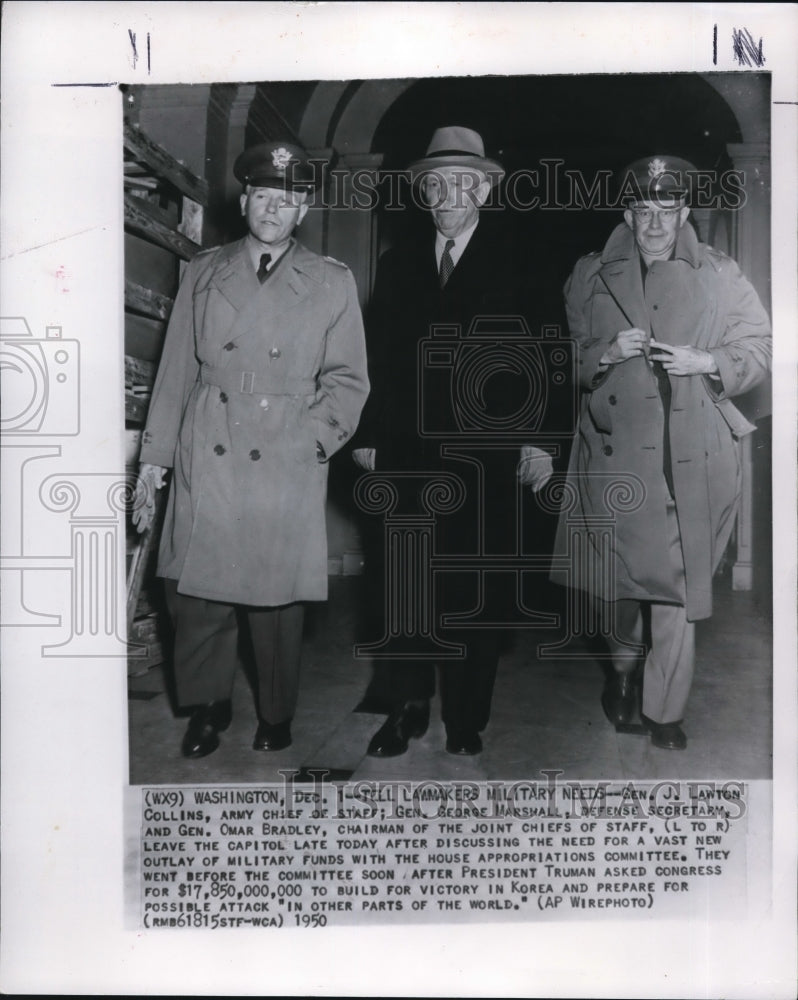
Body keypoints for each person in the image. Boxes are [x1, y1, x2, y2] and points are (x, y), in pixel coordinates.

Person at [134, 140, 369, 758]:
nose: (273, 207)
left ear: (304, 210)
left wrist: (311, 441)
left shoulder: (330, 283)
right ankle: (209, 706)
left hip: (282, 448)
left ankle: (276, 711)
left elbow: (348, 381)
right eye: (263, 194)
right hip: (207, 439)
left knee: (274, 600)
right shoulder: (205, 271)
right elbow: (176, 372)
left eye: (287, 198)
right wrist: (155, 461)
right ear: (244, 201)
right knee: (196, 592)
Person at [555, 154, 771, 750]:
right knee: (618, 587)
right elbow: (562, 355)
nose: (654, 225)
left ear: (685, 213)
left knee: (679, 584)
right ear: (628, 212)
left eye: (667, 210)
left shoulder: (721, 274)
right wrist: (604, 352)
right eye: (643, 211)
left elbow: (760, 345)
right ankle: (621, 672)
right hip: (613, 456)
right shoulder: (591, 273)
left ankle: (665, 710)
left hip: (691, 452)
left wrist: (710, 362)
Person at [352, 125, 555, 757]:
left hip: (487, 456)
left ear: (484, 189)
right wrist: (367, 435)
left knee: (476, 587)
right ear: (423, 192)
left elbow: (548, 356)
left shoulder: (523, 258)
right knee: (405, 578)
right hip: (408, 451)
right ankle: (408, 705)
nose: (447, 193)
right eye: (435, 183)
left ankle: (467, 717)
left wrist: (541, 441)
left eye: (462, 181)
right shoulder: (397, 263)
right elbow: (376, 359)